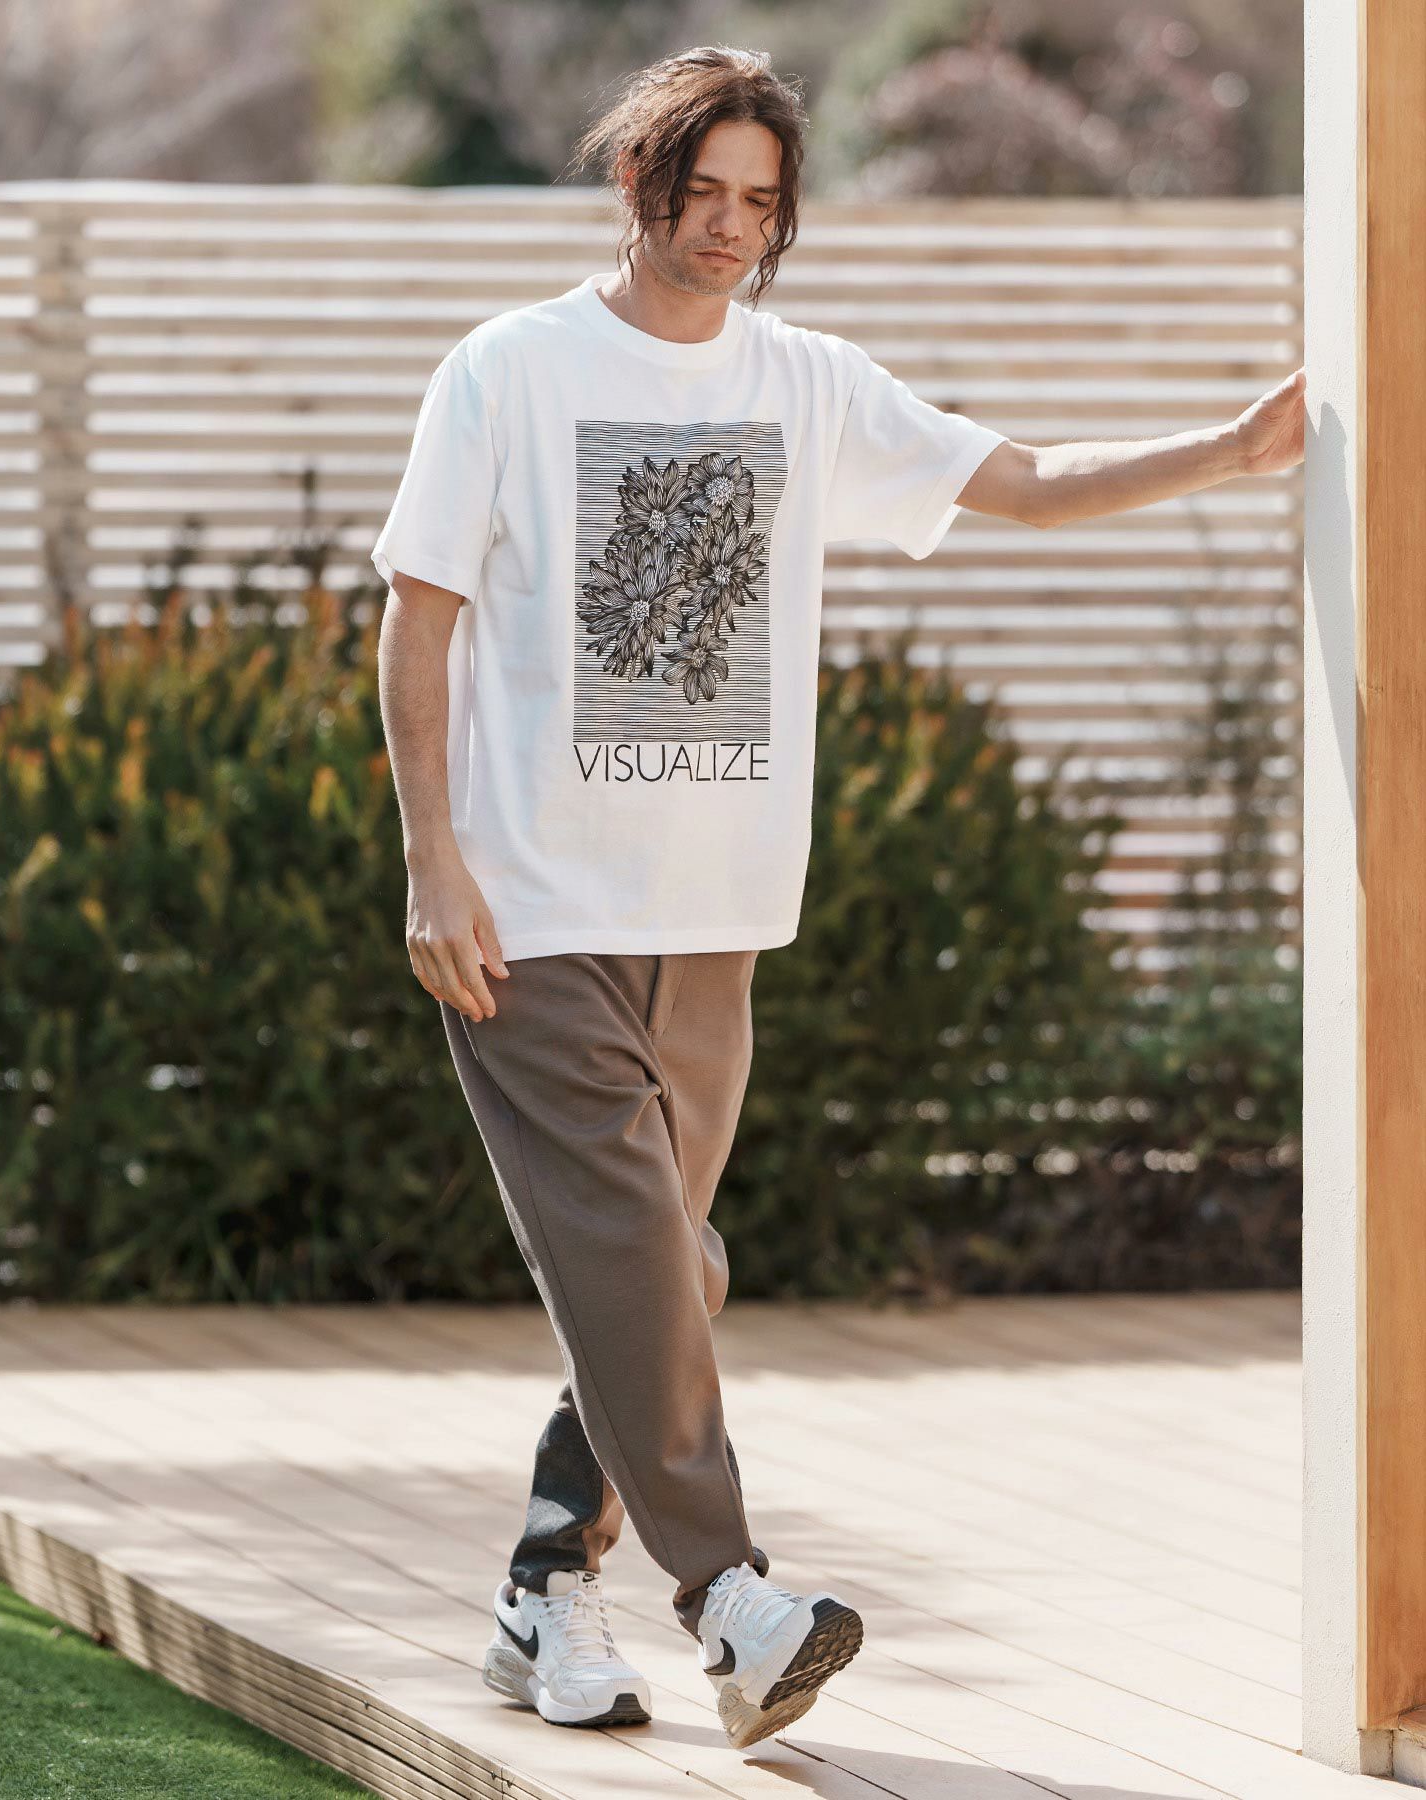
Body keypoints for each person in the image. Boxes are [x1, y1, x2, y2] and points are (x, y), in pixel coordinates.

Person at [371, 44, 1306, 1753]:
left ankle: (541, 1586)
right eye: (700, 193)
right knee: (635, 1254)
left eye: (760, 202)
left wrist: (1236, 452)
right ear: (640, 185)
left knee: (666, 1269)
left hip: (717, 919)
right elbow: (415, 616)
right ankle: (733, 1600)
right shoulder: (510, 370)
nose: (727, 228)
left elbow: (1023, 481)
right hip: (534, 915)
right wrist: (435, 856)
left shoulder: (806, 383)